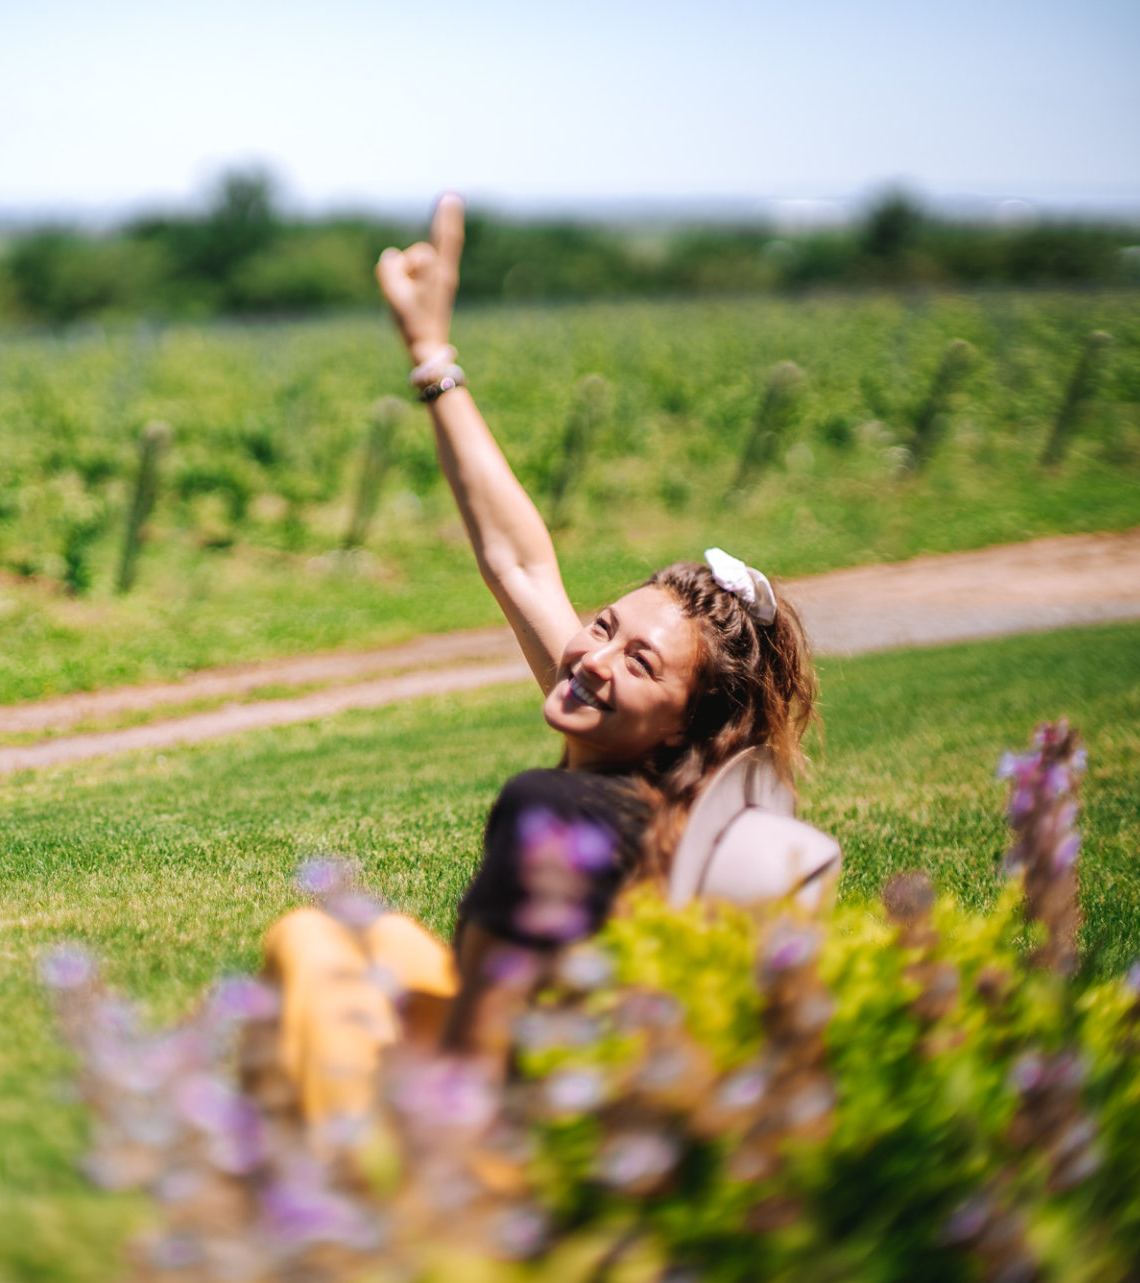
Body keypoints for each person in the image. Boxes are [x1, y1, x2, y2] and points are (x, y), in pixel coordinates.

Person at [259, 194, 824, 1129]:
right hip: (600, 1081)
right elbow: (518, 558)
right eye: (604, 624)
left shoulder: (561, 809)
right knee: (384, 940)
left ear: (686, 717)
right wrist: (430, 357)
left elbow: (480, 1061)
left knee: (311, 948)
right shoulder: (667, 788)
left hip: (500, 1123)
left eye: (637, 662)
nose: (591, 655)